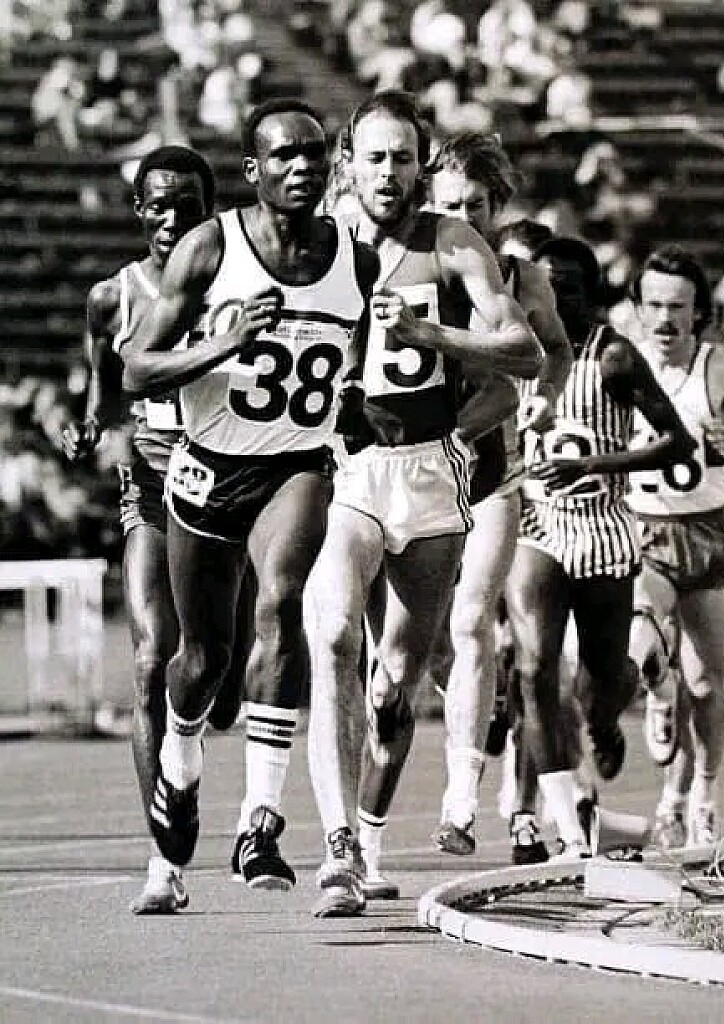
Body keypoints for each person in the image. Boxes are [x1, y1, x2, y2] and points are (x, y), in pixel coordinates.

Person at [120, 99, 378, 891]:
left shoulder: (355, 258)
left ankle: (259, 823)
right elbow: (137, 368)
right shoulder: (212, 245)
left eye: (314, 153)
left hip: (294, 465)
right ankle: (180, 760)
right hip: (206, 469)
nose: (302, 167)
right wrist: (224, 343)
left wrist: (354, 401)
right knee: (202, 662)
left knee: (282, 603)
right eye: (285, 155)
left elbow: (352, 355)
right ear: (252, 169)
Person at [304, 89, 543, 917]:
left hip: (431, 475)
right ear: (348, 163)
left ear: (420, 165)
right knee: (334, 633)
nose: (387, 172)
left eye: (401, 158)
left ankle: (371, 834)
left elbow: (524, 353)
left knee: (396, 681)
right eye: (373, 157)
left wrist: (431, 335)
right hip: (351, 473)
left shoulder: (452, 242)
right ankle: (337, 848)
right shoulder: (322, 241)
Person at [61, 145, 254, 913]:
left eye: (187, 205)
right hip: (150, 483)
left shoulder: (240, 283)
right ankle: (165, 857)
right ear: (138, 210)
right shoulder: (113, 296)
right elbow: (104, 391)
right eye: (157, 205)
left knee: (222, 689)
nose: (171, 219)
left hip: (232, 486)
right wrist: (86, 426)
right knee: (151, 660)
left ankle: (204, 718)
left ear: (211, 209)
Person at [502, 236, 695, 860]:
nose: (553, 298)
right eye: (544, 286)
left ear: (590, 294)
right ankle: (566, 826)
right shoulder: (517, 351)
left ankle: (629, 698)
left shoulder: (613, 357)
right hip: (539, 528)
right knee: (534, 669)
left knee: (598, 688)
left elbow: (677, 443)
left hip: (604, 528)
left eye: (566, 287)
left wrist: (592, 463)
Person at [424, 131, 573, 856]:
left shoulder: (521, 277)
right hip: (412, 475)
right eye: (449, 204)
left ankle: (462, 799)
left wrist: (545, 395)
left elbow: (556, 350)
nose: (463, 217)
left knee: (471, 619)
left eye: (476, 205)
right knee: (427, 651)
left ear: (497, 206)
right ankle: (481, 699)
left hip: (490, 469)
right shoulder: (405, 266)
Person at [625, 245, 724, 849]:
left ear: (698, 313)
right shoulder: (622, 363)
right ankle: (657, 695)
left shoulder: (721, 370)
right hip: (642, 529)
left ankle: (698, 797)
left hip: (707, 532)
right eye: (655, 306)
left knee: (707, 684)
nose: (665, 320)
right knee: (643, 638)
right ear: (638, 309)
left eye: (678, 308)